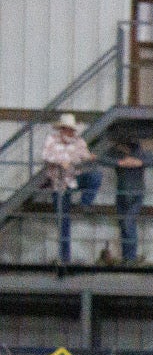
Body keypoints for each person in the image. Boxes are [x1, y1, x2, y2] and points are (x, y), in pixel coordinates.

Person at [41, 113, 97, 265]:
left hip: (73, 179)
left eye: (71, 129)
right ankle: (64, 258)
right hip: (59, 183)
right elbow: (46, 156)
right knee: (63, 220)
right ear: (62, 129)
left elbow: (84, 155)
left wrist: (89, 157)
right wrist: (62, 161)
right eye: (67, 129)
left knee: (95, 176)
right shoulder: (51, 140)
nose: (70, 132)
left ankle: (85, 203)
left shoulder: (78, 141)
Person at [108, 139, 153, 264]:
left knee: (128, 223)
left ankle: (131, 257)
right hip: (122, 194)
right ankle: (127, 257)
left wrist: (139, 162)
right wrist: (120, 163)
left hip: (136, 194)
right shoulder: (116, 153)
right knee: (124, 224)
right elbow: (101, 158)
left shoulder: (140, 154)